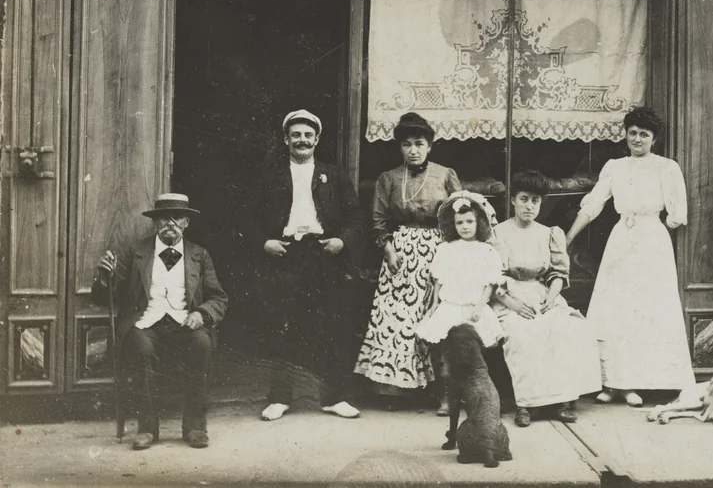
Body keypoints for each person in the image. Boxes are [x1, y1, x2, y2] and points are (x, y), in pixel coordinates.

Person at [563, 106, 693, 407]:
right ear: (625, 134)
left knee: (646, 309)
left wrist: (656, 225)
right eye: (632, 133)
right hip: (621, 240)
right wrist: (569, 237)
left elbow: (677, 214)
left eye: (644, 135)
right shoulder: (615, 166)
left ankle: (637, 383)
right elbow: (593, 205)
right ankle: (612, 382)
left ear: (654, 139)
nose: (637, 139)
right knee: (615, 309)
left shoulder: (666, 167)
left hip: (651, 242)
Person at [247, 109, 363, 421]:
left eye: (308, 135)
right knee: (283, 325)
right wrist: (264, 242)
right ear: (286, 139)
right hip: (285, 254)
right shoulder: (270, 175)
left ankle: (333, 397)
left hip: (323, 253)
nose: (302, 140)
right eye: (296, 135)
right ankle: (280, 397)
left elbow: (355, 216)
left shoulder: (333, 175)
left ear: (317, 140)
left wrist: (342, 241)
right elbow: (246, 217)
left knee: (331, 327)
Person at [93, 193, 228, 450]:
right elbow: (107, 295)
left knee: (202, 345)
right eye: (164, 218)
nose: (171, 224)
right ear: (155, 223)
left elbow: (218, 297)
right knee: (142, 351)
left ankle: (196, 427)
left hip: (184, 322)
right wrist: (104, 276)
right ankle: (147, 428)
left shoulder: (199, 255)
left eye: (177, 218)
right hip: (146, 323)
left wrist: (201, 314)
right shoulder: (136, 252)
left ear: (186, 222)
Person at [355, 111, 462, 409]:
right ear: (399, 148)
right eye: (407, 145)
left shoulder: (445, 174)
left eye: (419, 143)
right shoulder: (388, 179)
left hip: (438, 251)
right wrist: (388, 249)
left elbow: (463, 213)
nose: (413, 150)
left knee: (433, 314)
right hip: (400, 253)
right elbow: (378, 219)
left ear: (429, 146)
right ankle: (395, 391)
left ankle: (439, 390)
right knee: (396, 317)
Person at [491, 170, 602, 426]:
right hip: (509, 295)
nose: (529, 206)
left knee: (568, 328)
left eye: (535, 201)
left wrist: (551, 299)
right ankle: (526, 404)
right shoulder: (498, 233)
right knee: (522, 335)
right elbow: (492, 276)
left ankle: (563, 400)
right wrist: (512, 303)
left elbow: (558, 273)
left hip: (542, 294)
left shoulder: (549, 232)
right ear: (513, 201)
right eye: (524, 199)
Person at [416, 191, 505, 348]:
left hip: (474, 306)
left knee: (474, 343)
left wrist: (479, 307)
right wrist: (435, 303)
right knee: (447, 343)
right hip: (450, 307)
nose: (465, 227)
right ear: (453, 225)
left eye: (470, 222)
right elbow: (439, 279)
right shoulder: (445, 249)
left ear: (479, 223)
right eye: (460, 223)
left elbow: (490, 284)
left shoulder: (487, 251)